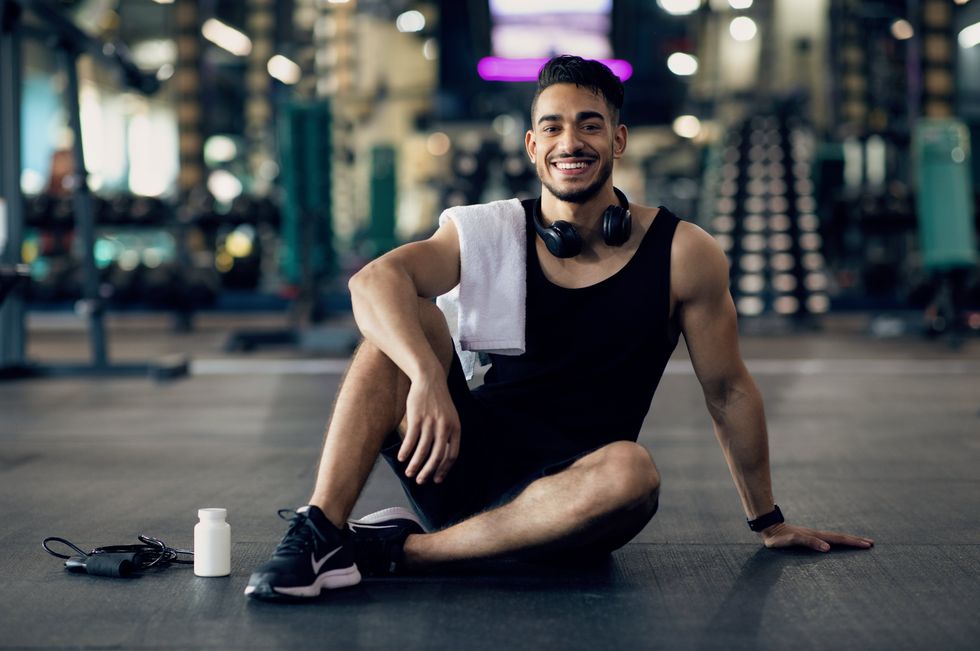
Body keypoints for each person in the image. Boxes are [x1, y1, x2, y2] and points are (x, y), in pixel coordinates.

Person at [245, 55, 874, 601]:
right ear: (531, 146)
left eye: (589, 125)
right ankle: (323, 532)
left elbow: (729, 390)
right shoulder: (487, 231)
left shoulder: (684, 253)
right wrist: (425, 380)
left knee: (633, 470)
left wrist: (768, 520)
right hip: (460, 465)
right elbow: (372, 281)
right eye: (552, 127)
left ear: (619, 140)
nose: (569, 142)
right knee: (397, 325)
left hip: (577, 500)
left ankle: (394, 553)